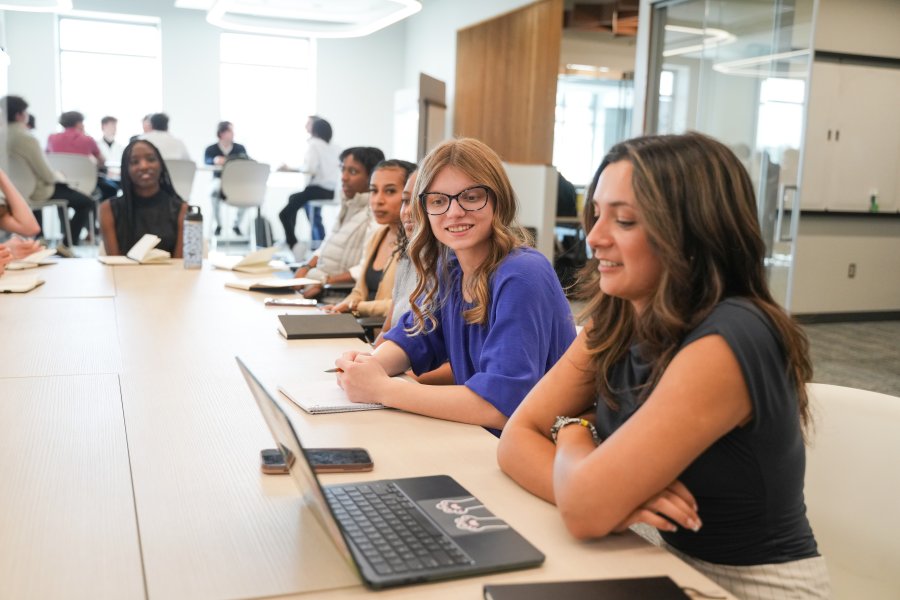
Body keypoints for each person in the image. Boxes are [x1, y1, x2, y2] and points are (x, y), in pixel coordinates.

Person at [497, 132, 830, 600]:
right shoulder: (621, 316)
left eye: (626, 220)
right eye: (597, 214)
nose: (594, 238)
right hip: (652, 557)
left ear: (693, 233)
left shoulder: (733, 337)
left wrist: (574, 441)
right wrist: (595, 473)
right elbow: (515, 440)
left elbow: (585, 511)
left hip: (750, 587)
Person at [334, 138, 576, 435]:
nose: (454, 212)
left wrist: (382, 389)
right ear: (425, 209)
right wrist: (368, 366)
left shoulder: (522, 274)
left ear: (498, 199)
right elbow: (414, 339)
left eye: (471, 197)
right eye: (438, 200)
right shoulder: (449, 268)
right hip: (480, 441)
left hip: (526, 453)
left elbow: (501, 407)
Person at [323, 159, 416, 319]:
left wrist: (356, 307)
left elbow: (403, 305)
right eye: (373, 190)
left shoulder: (417, 244)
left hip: (384, 337)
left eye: (390, 191)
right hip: (361, 328)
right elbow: (359, 292)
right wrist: (340, 307)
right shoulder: (378, 235)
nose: (377, 200)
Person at [292, 146, 384, 299]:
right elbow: (327, 245)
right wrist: (306, 266)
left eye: (353, 172)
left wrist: (324, 282)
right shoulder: (349, 205)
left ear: (372, 178)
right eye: (343, 170)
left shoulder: (375, 216)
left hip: (335, 296)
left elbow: (365, 268)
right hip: (315, 286)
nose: (344, 177)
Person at [2, 95, 95, 247]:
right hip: (35, 193)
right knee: (86, 202)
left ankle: (40, 239)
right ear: (20, 115)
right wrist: (60, 176)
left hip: (8, 194)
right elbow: (46, 175)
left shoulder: (51, 138)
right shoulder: (27, 139)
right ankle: (66, 244)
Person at [99, 139, 188, 258]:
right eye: (135, 162)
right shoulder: (108, 209)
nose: (144, 166)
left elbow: (180, 265)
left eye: (151, 159)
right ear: (126, 169)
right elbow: (114, 263)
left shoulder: (182, 210)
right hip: (124, 275)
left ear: (161, 165)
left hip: (170, 276)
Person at [278, 116, 340, 255]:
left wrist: (290, 169)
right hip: (330, 191)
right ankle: (301, 244)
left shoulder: (314, 145)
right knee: (293, 198)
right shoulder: (335, 148)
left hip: (316, 189)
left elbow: (310, 168)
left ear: (315, 130)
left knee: (283, 214)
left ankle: (293, 244)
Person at [46, 110, 118, 199]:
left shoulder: (52, 139)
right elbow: (102, 161)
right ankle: (101, 211)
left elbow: (48, 158)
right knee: (112, 188)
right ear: (79, 124)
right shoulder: (87, 139)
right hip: (86, 183)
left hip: (60, 183)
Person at [204, 120, 249, 236]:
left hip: (236, 182)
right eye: (230, 131)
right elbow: (207, 161)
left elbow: (247, 160)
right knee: (213, 191)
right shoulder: (211, 149)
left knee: (248, 194)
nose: (233, 133)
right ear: (221, 133)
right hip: (218, 181)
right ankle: (218, 225)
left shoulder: (240, 148)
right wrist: (215, 160)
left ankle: (236, 225)